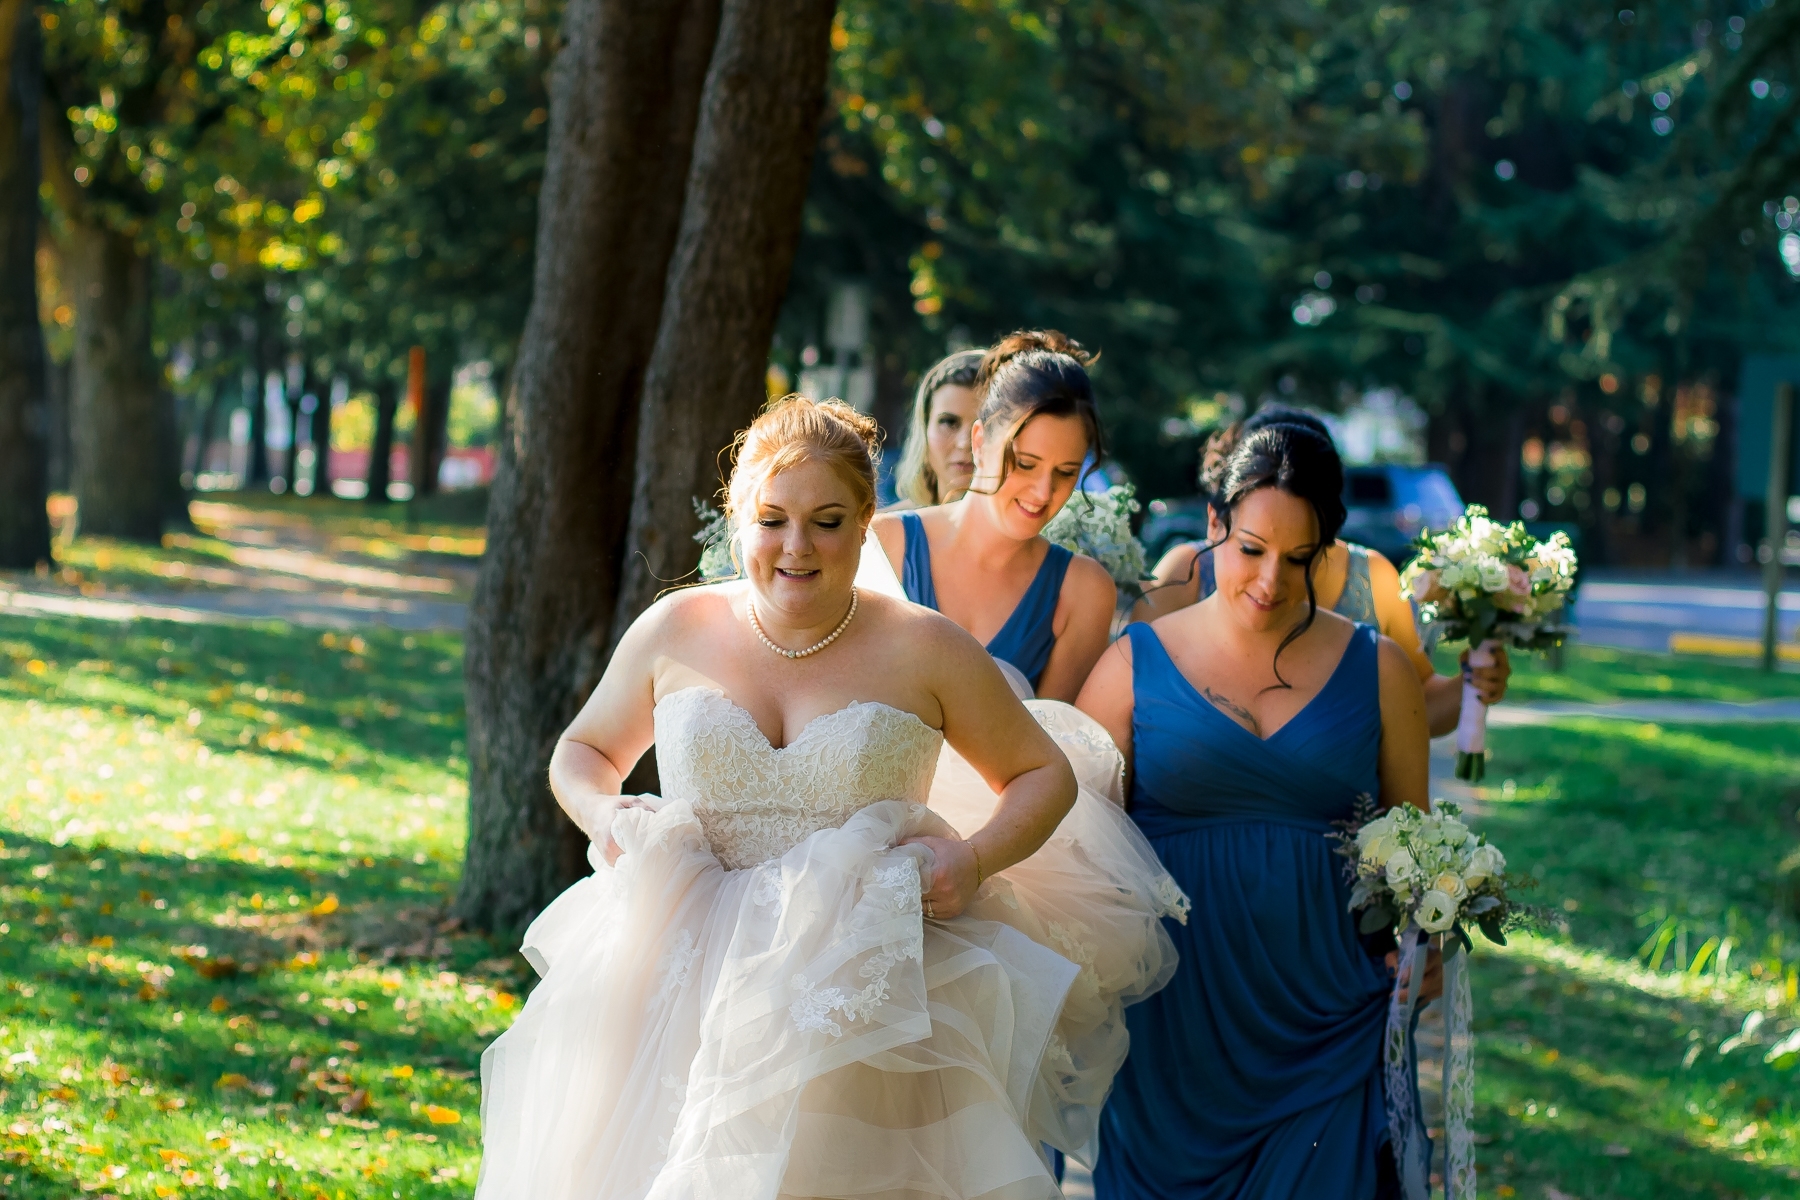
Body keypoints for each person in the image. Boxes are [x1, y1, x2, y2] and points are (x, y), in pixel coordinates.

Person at [475, 396, 1183, 1200]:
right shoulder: (674, 628)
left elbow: (1044, 775)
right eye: (771, 519)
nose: (796, 547)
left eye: (828, 520)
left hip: (861, 996)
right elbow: (582, 751)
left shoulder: (925, 646)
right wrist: (605, 815)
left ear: (866, 521)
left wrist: (974, 858)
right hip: (676, 978)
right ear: (738, 518)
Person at [1077, 422, 1434, 1199]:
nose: (1272, 580)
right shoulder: (1129, 668)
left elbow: (1418, 846)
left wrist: (1422, 947)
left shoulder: (1381, 670)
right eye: (1251, 549)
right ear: (1213, 526)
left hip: (1326, 1024)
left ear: (1328, 552)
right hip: (1171, 1037)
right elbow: (1080, 856)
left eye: (1299, 558)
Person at [1134, 407, 1509, 738]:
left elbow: (1416, 706)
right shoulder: (1185, 574)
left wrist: (1471, 684)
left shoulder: (1372, 579)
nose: (1271, 579)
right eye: (1252, 548)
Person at [871, 331, 1117, 703]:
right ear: (980, 441)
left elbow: (1054, 748)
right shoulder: (883, 544)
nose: (1043, 493)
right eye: (1025, 463)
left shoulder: (1083, 591)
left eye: (1065, 472)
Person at [887, 348, 985, 510]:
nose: (964, 443)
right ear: (924, 429)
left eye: (983, 426)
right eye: (949, 422)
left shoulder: (1030, 535)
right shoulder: (882, 531)